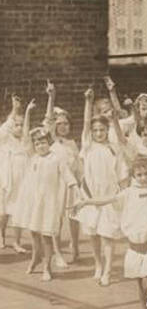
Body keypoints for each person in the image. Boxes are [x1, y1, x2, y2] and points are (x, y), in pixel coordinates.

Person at [74, 154, 147, 309]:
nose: (143, 177)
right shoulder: (128, 193)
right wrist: (86, 201)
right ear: (133, 176)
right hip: (135, 246)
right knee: (140, 286)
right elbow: (107, 199)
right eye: (139, 174)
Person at [13, 98, 80, 282]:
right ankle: (36, 258)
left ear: (49, 142)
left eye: (43, 142)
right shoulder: (33, 158)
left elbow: (67, 175)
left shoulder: (56, 158)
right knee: (34, 232)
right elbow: (26, 136)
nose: (40, 146)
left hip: (50, 202)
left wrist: (74, 187)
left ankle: (47, 266)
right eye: (37, 144)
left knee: (47, 234)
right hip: (34, 202)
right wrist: (27, 112)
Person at [78, 87, 129, 286]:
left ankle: (107, 270)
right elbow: (85, 124)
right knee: (93, 234)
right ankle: (98, 264)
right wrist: (88, 102)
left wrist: (122, 196)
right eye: (95, 130)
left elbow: (122, 176)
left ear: (107, 130)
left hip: (108, 198)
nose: (98, 133)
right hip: (90, 196)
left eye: (102, 129)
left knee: (107, 235)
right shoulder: (88, 146)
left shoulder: (114, 149)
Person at [43, 81, 82, 266]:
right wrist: (51, 97)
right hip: (56, 185)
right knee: (56, 218)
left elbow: (78, 167)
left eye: (66, 123)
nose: (63, 127)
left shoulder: (72, 143)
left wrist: (80, 183)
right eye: (59, 124)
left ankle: (75, 248)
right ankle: (57, 252)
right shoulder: (52, 140)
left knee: (74, 216)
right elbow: (48, 120)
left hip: (72, 185)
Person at [0, 94, 30, 253]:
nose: (18, 128)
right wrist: (15, 109)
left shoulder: (26, 142)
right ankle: (1, 235)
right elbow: (6, 127)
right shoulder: (4, 139)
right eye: (16, 125)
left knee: (19, 211)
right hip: (7, 180)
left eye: (21, 125)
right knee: (3, 211)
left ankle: (17, 242)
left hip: (22, 181)